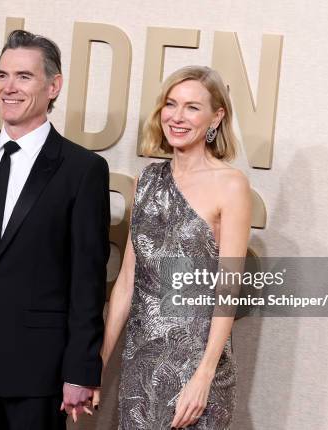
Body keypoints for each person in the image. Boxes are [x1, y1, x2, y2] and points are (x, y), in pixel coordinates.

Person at [0, 30, 110, 430]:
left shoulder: (81, 171)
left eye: (24, 77)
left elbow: (87, 280)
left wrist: (80, 368)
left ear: (53, 86)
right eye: (2, 75)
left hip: (37, 370)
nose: (9, 88)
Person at [94, 66, 251, 429]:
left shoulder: (231, 185)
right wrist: (98, 363)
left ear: (217, 116)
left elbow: (229, 289)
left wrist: (203, 377)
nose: (177, 117)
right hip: (142, 364)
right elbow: (129, 281)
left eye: (193, 107)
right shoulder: (147, 180)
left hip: (198, 368)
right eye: (171, 104)